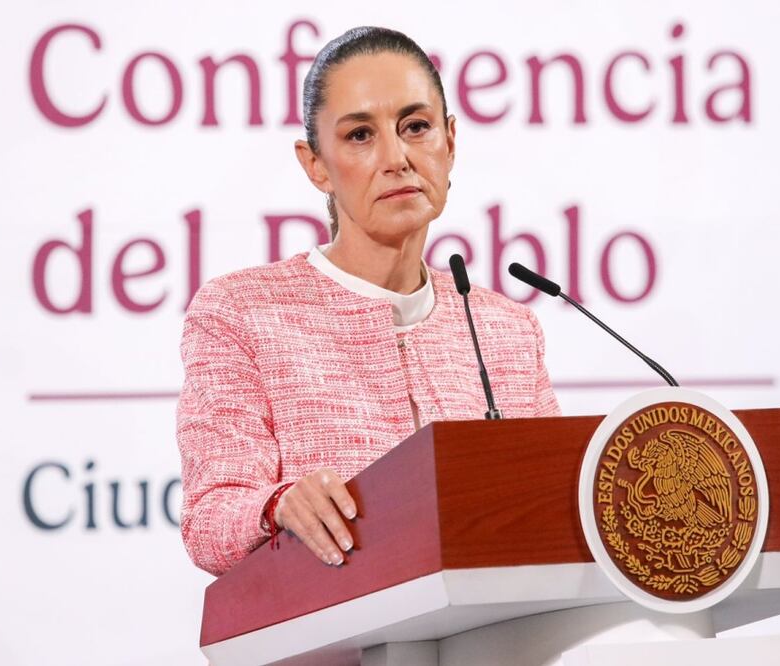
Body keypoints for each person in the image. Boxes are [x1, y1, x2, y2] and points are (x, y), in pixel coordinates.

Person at [177, 26, 560, 577]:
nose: (397, 157)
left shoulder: (506, 330)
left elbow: (554, 503)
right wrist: (277, 505)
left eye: (417, 127)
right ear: (315, 165)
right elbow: (210, 519)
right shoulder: (241, 313)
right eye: (360, 135)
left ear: (450, 142)